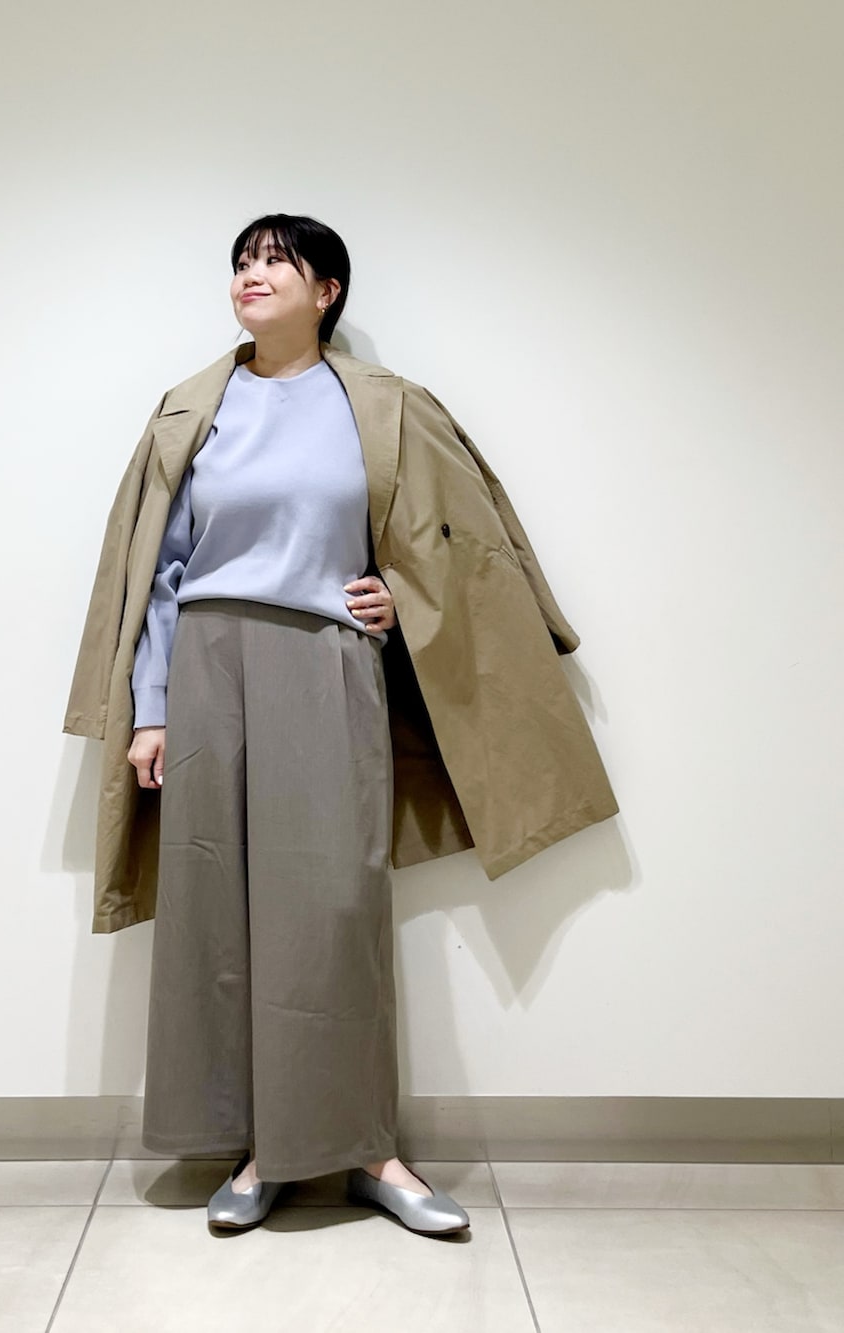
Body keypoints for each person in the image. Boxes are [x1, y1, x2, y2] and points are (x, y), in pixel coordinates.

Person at [64, 211, 619, 1236]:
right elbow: (158, 572)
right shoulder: (191, 409)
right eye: (241, 261)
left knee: (333, 909)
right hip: (207, 663)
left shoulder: (384, 406)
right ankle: (255, 1147)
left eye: (275, 261)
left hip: (327, 659)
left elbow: (455, 543)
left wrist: (405, 597)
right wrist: (151, 708)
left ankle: (368, 1148)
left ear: (327, 291)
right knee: (215, 910)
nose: (250, 275)